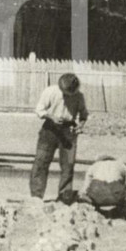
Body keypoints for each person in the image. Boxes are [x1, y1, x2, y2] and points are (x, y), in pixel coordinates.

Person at [31, 72, 88, 203]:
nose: (69, 95)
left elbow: (84, 115)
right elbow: (39, 109)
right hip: (50, 129)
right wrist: (51, 117)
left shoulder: (79, 96)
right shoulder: (50, 91)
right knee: (41, 162)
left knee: (68, 165)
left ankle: (64, 197)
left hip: (69, 130)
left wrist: (80, 125)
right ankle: (36, 196)